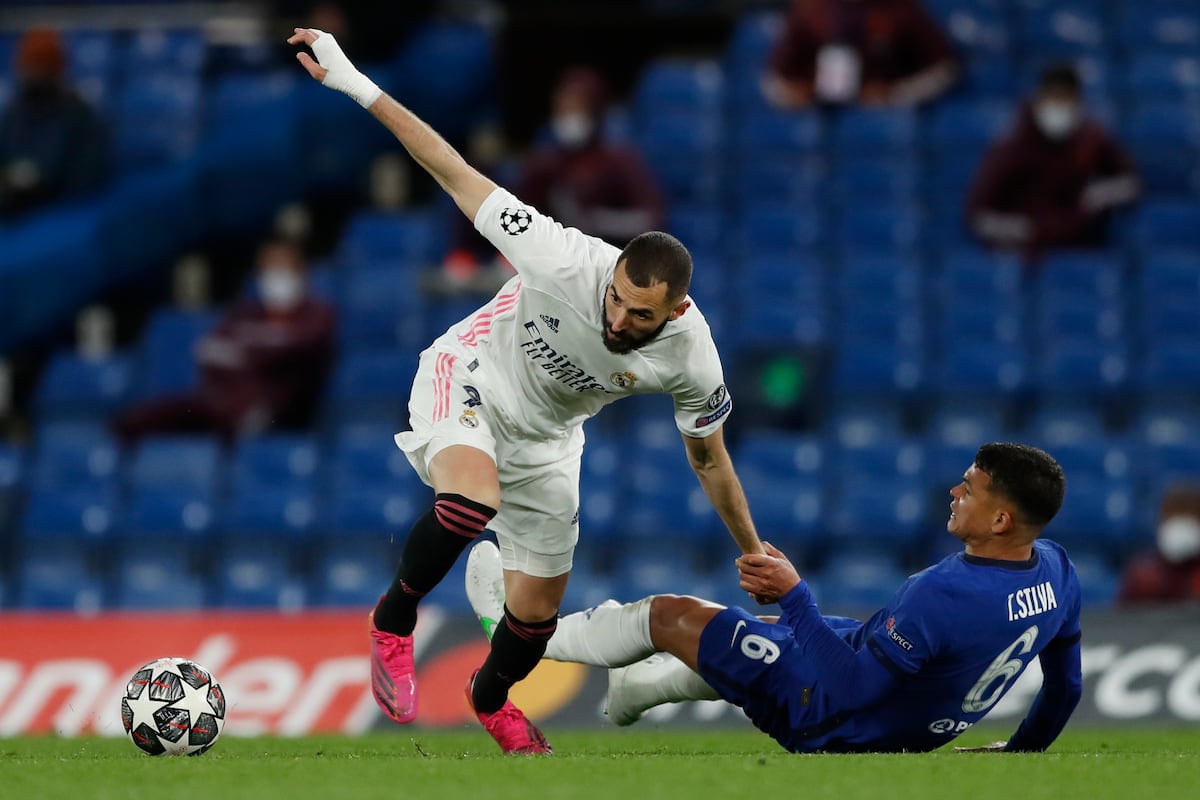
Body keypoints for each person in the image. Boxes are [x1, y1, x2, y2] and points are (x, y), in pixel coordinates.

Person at [288, 28, 764, 755]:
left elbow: (710, 461)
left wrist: (753, 550)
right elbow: (449, 166)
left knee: (536, 615)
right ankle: (393, 620)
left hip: (549, 437)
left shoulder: (693, 357)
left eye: (639, 315)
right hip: (473, 374)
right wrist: (352, 80)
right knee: (470, 500)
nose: (617, 319)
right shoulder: (562, 255)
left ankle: (490, 700)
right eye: (616, 299)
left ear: (672, 312)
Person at [468, 442, 1083, 754]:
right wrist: (1021, 752)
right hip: (919, 723)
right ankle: (643, 688)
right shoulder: (1056, 570)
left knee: (669, 614)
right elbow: (1066, 687)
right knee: (764, 633)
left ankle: (515, 630)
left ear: (1001, 520)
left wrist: (798, 598)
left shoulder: (942, 592)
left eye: (970, 487)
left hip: (838, 723)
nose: (955, 489)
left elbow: (850, 688)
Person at [114, 238, 336, 443]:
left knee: (244, 419)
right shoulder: (246, 315)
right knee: (153, 417)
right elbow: (210, 349)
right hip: (222, 405)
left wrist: (246, 350)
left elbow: (298, 347)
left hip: (279, 417)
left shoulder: (317, 314)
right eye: (268, 270)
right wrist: (259, 351)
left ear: (300, 273)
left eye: (282, 269)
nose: (274, 278)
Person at [966, 63, 1139, 260]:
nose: (1059, 107)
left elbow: (1130, 184)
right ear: (1040, 99)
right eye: (1053, 99)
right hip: (1025, 253)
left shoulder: (1091, 137)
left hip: (1080, 249)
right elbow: (978, 216)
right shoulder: (1012, 144)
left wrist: (1101, 194)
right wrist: (1019, 228)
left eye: (1066, 100)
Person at [763, 0, 959, 109]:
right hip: (819, 121)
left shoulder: (900, 9)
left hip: (884, 123)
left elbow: (946, 69)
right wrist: (794, 93)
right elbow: (773, 79)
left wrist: (896, 93)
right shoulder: (812, 10)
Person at [0, 28, 112, 218]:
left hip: (58, 213)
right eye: (29, 66)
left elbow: (84, 179)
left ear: (55, 70)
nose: (33, 73)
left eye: (41, 66)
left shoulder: (78, 116)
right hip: (15, 210)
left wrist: (38, 181)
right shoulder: (15, 112)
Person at [1117, 481, 1200, 605]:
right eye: (1173, 514)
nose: (1181, 523)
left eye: (1189, 514)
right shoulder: (1142, 576)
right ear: (1160, 522)